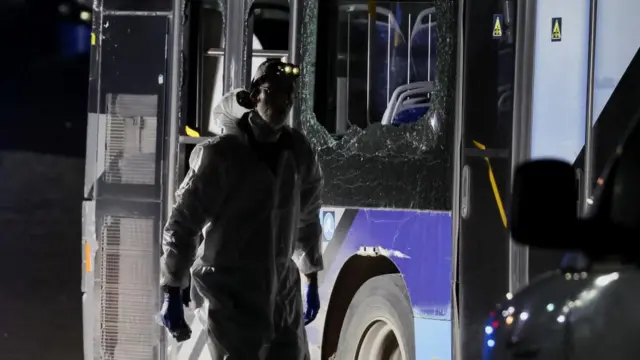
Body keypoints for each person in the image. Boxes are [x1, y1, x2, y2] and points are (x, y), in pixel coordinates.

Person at [159, 59, 324, 360]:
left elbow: (307, 219)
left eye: (288, 94)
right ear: (252, 98)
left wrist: (310, 276)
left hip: (282, 297)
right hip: (230, 298)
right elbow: (183, 224)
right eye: (273, 91)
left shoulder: (298, 154)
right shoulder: (221, 156)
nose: (283, 101)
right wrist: (172, 289)